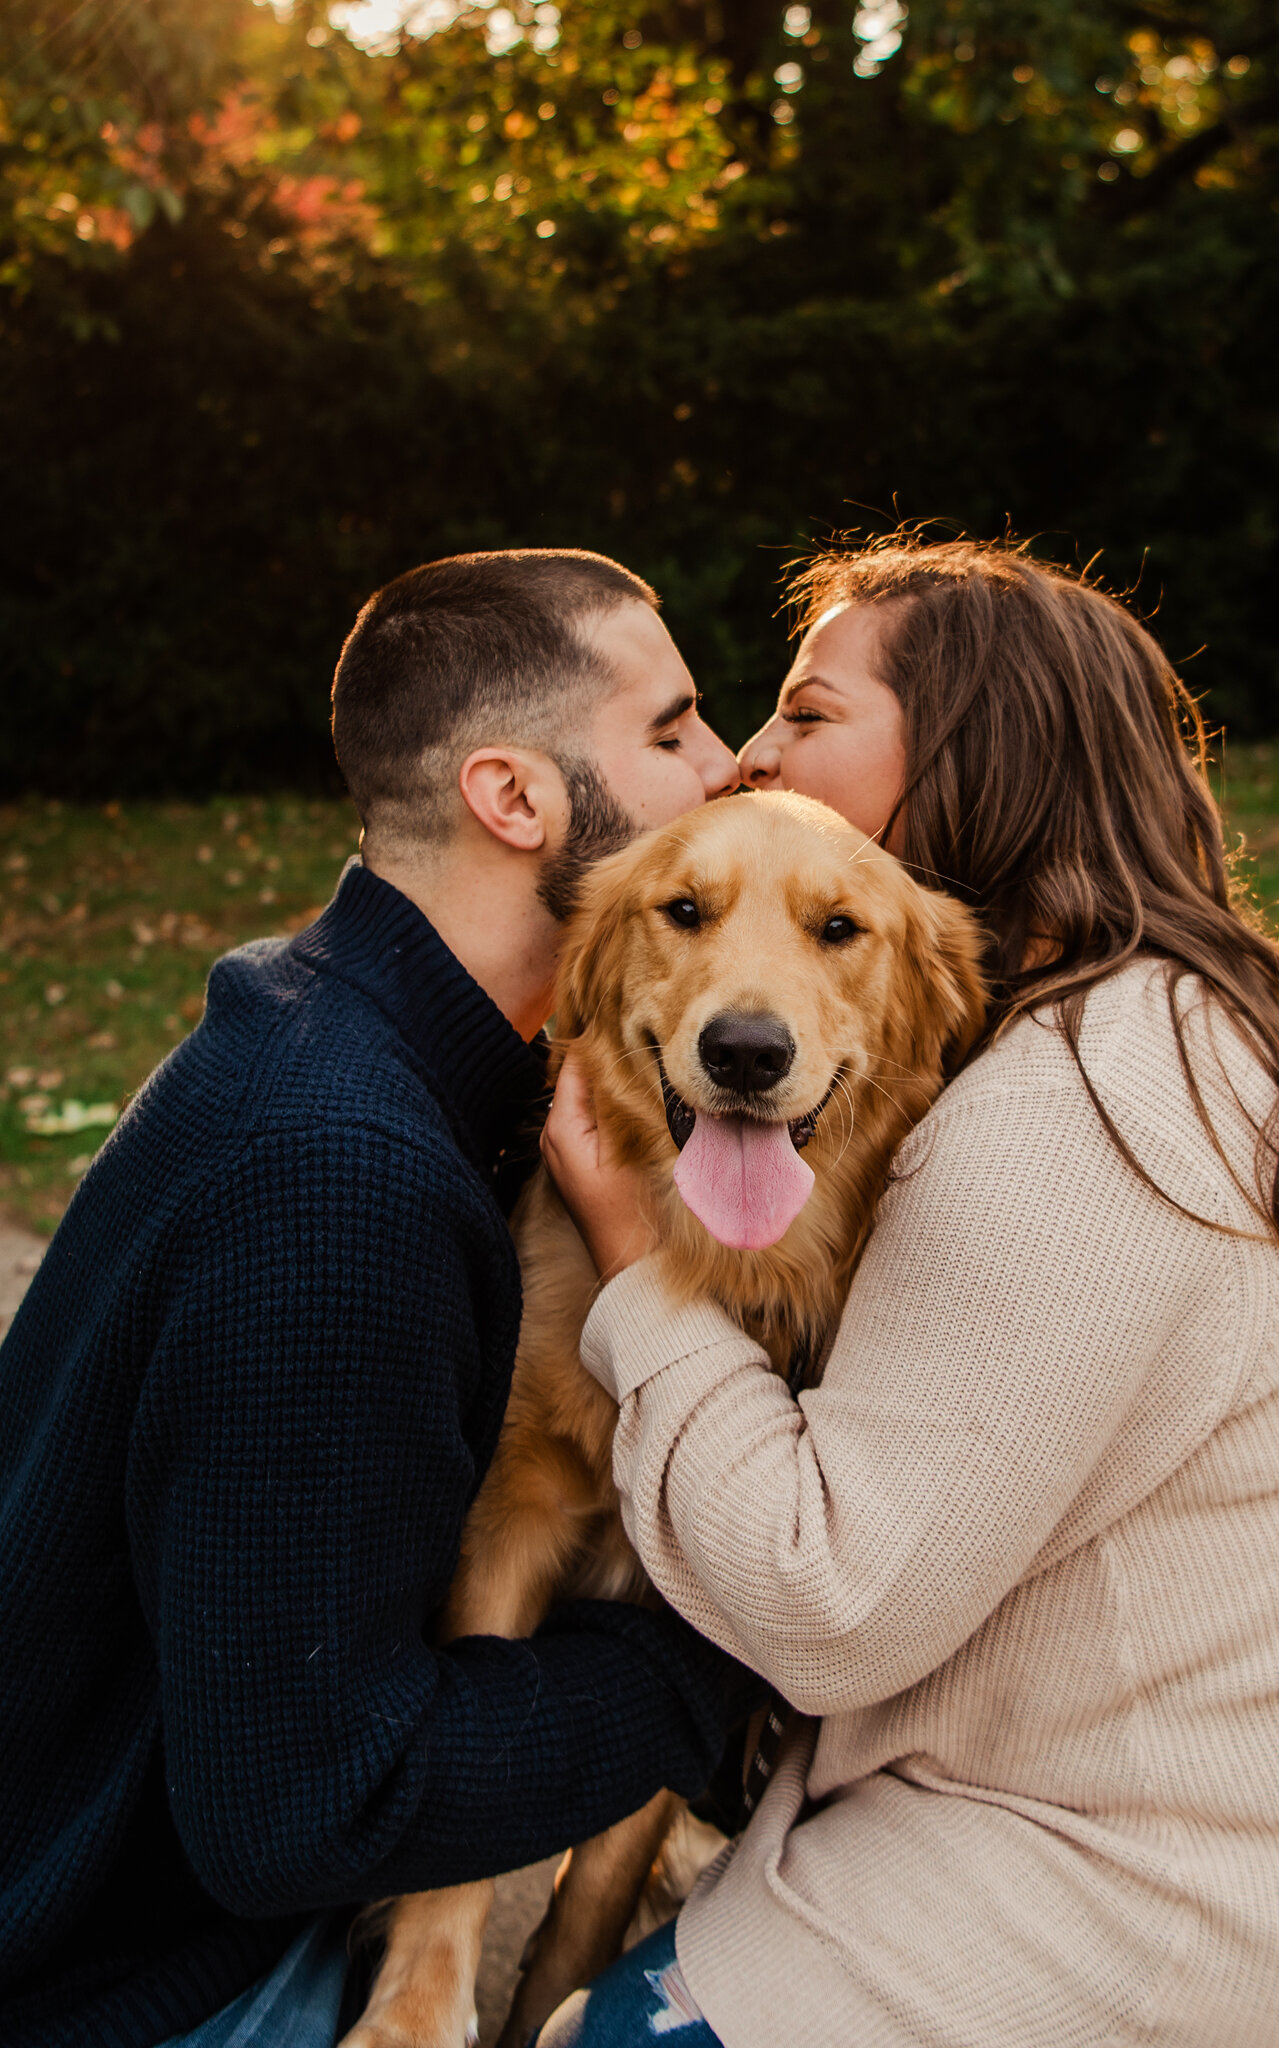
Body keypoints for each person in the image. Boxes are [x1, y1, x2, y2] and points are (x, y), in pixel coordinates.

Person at [537, 536, 1279, 2046]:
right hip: (1246, 1852)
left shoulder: (1073, 1117)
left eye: (806, 711)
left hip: (1094, 1925)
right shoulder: (1218, 1024)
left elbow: (823, 1602)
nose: (747, 759)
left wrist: (631, 1269)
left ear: (974, 753)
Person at [0, 549, 751, 2048]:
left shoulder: (338, 1030)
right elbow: (306, 1813)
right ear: (515, 799)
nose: (728, 769)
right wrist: (708, 1667)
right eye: (671, 731)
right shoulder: (340, 1178)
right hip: (137, 1987)